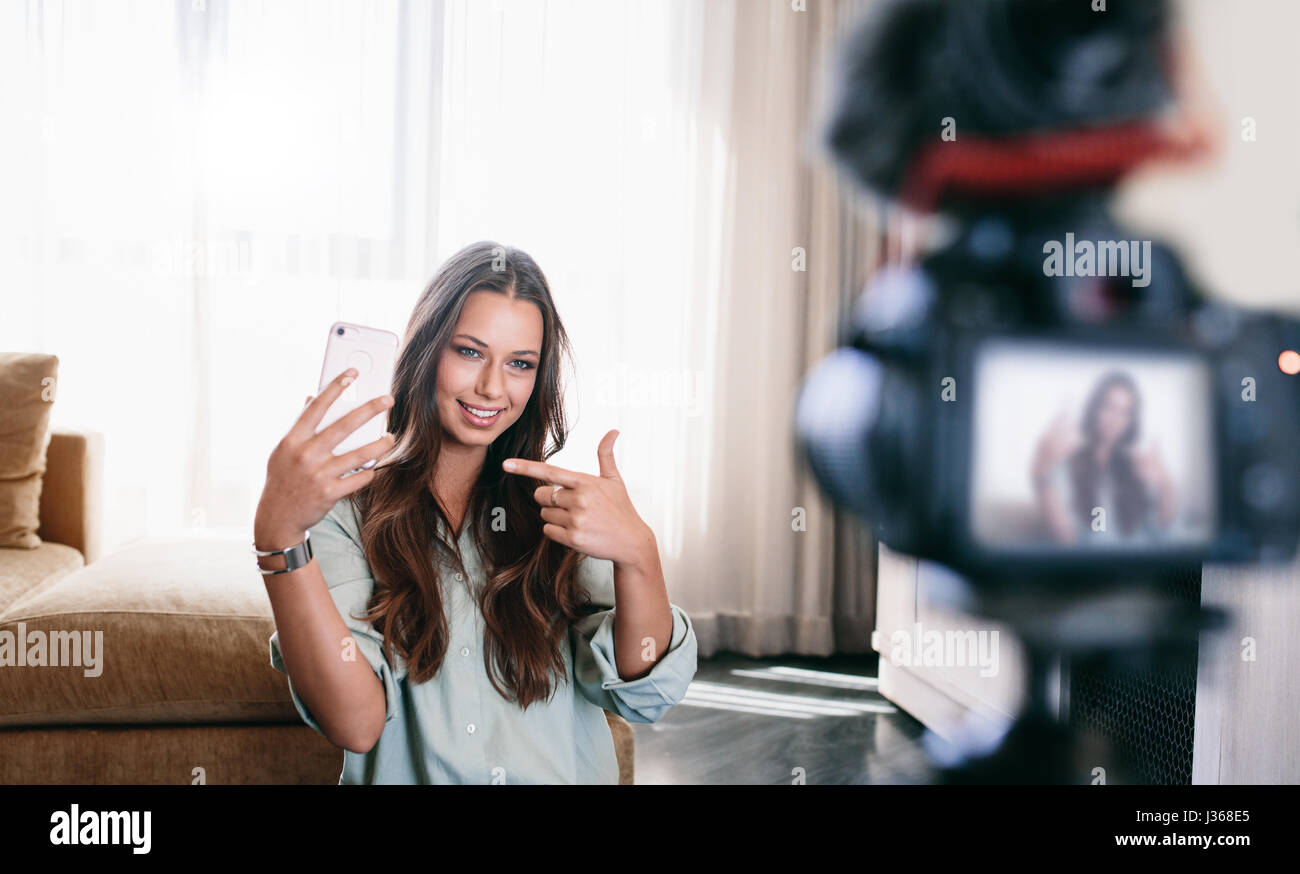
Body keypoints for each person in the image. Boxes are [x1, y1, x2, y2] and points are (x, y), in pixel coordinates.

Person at [253, 241, 698, 784]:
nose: (491, 386)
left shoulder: (558, 509)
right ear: (426, 347)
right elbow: (355, 724)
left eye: (519, 363)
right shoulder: (343, 510)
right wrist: (277, 538)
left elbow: (645, 694)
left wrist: (639, 554)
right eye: (468, 351)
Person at [1030, 371, 1175, 547]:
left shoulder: (1137, 465)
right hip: (1096, 568)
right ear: (1095, 408)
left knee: (1209, 572)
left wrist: (1166, 486)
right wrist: (1041, 475)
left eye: (1125, 412)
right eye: (1109, 407)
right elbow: (1066, 540)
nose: (1115, 419)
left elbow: (1161, 532)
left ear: (1131, 420)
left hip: (1141, 564)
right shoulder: (1069, 463)